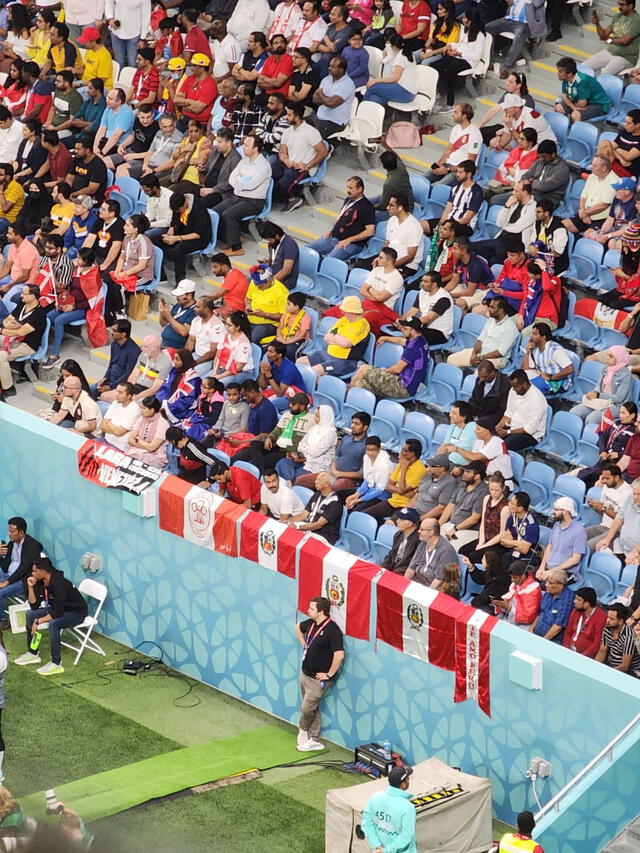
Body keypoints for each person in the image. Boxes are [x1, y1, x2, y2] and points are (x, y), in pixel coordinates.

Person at [13, 557, 88, 676]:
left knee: (54, 623)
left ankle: (56, 663)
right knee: (30, 614)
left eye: (34, 571)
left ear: (43, 571)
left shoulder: (59, 584)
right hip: (58, 608)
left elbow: (57, 614)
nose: (32, 574)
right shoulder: (41, 581)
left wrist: (38, 621)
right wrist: (31, 587)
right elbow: (34, 605)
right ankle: (33, 652)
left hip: (76, 612)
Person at [294, 596, 344, 751]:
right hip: (304, 673)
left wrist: (328, 675)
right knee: (312, 708)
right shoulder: (310, 623)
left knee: (306, 709)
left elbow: (339, 655)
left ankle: (303, 732)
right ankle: (314, 738)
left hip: (318, 679)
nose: (308, 611)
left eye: (311, 609)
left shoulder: (332, 630)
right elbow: (297, 627)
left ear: (322, 611)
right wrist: (304, 643)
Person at [213, 135, 271, 255]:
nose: (243, 147)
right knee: (215, 211)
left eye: (247, 145)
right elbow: (232, 178)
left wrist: (239, 181)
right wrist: (240, 182)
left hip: (254, 202)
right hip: (238, 196)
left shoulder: (263, 166)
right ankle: (231, 238)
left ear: (255, 148)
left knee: (229, 214)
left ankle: (237, 247)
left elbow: (251, 185)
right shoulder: (244, 160)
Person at [349, 317, 429, 398]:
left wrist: (380, 372)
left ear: (413, 331)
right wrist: (385, 338)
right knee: (359, 384)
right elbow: (402, 341)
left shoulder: (413, 348)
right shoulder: (420, 339)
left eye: (405, 329)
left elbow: (397, 369)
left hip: (403, 388)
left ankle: (346, 395)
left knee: (364, 369)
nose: (402, 330)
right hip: (403, 384)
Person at [233, 392, 313, 472]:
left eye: (293, 405)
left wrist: (294, 452)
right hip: (275, 445)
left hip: (287, 452)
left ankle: (258, 472)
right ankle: (230, 463)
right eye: (291, 403)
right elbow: (277, 431)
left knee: (258, 459)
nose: (290, 406)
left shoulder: (311, 420)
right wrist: (270, 438)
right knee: (254, 445)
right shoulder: (287, 415)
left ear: (302, 407)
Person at [298, 295, 370, 379]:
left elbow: (346, 343)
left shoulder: (362, 325)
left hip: (344, 361)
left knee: (314, 371)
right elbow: (327, 337)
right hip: (328, 354)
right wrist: (339, 338)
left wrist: (335, 337)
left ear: (353, 312)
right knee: (300, 362)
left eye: (345, 311)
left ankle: (313, 391)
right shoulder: (343, 320)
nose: (343, 313)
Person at [272, 103, 326, 213]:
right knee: (269, 173)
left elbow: (323, 151)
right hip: (288, 164)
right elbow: (282, 151)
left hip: (302, 168)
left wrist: (308, 165)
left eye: (289, 115)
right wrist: (286, 160)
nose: (286, 117)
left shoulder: (311, 132)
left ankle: (293, 199)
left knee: (283, 184)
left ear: (297, 116)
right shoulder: (287, 131)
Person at [308, 177, 376, 262]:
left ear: (360, 189)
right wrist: (331, 230)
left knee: (327, 262)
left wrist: (349, 240)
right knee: (306, 250)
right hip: (334, 237)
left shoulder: (367, 207)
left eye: (351, 188)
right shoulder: (348, 200)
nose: (348, 190)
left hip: (351, 244)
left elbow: (370, 231)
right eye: (347, 187)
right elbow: (341, 218)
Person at [430, 9, 486, 108]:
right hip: (457, 56)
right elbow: (460, 44)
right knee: (434, 66)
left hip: (468, 61)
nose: (462, 19)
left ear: (470, 20)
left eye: (465, 18)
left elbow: (477, 56)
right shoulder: (466, 31)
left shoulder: (480, 36)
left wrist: (460, 54)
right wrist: (450, 46)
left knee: (449, 72)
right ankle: (437, 92)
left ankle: (450, 104)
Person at [362, 439, 427, 522]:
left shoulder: (420, 470)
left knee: (392, 523)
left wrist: (404, 468)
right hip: (393, 501)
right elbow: (388, 486)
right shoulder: (401, 464)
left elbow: (402, 489)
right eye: (402, 450)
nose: (401, 453)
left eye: (405, 451)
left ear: (413, 453)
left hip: (405, 505)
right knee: (365, 515)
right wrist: (401, 491)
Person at [576, 402, 638, 490]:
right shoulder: (617, 423)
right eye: (620, 412)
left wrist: (618, 454)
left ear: (632, 415)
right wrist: (602, 451)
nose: (620, 415)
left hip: (616, 465)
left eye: (623, 413)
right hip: (604, 460)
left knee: (588, 475)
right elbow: (603, 436)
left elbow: (632, 453)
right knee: (586, 475)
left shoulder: (634, 433)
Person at [0, 284, 46, 400]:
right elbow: (7, 319)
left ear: (33, 296)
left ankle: (9, 388)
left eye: (24, 294)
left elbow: (21, 333)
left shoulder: (39, 314)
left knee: (1, 357)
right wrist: (8, 325)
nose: (21, 296)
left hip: (27, 345)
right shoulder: (22, 305)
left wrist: (2, 330)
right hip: (12, 338)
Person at [448, 297, 518, 369]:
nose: (489, 310)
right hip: (480, 354)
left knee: (481, 371)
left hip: (496, 359)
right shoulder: (491, 320)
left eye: (492, 307)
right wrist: (474, 354)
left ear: (501, 310)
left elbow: (500, 352)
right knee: (451, 359)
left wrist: (482, 358)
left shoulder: (510, 328)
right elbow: (480, 339)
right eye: (489, 306)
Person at [570, 346, 633, 426]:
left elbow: (619, 398)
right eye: (607, 355)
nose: (607, 358)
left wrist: (598, 395)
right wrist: (595, 392)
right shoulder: (606, 368)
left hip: (616, 405)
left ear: (619, 358)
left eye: (610, 356)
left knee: (591, 419)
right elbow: (598, 385)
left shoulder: (626, 376)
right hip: (601, 401)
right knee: (574, 412)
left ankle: (589, 437)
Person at [361, 765, 417, 853]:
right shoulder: (408, 808)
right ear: (403, 785)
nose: (409, 780)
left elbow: (366, 824)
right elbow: (407, 836)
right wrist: (386, 851)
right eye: (407, 779)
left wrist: (377, 846)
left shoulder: (375, 797)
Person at [276, 405, 337, 485]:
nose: (314, 418)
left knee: (298, 477)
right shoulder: (314, 428)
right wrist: (309, 448)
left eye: (317, 416)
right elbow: (300, 445)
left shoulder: (331, 434)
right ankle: (289, 482)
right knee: (282, 463)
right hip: (304, 460)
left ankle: (289, 484)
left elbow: (316, 452)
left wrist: (306, 448)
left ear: (325, 417)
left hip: (317, 467)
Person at [425, 102, 482, 186]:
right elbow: (448, 150)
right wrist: (439, 164)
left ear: (464, 116)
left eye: (456, 112)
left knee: (439, 187)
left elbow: (470, 164)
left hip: (460, 170)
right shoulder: (455, 129)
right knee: (423, 179)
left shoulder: (475, 134)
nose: (452, 115)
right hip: (447, 165)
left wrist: (448, 170)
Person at [0, 517, 43, 628]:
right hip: (8, 574)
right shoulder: (11, 544)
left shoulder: (32, 546)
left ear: (21, 532)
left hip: (22, 580)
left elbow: (23, 569)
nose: (9, 534)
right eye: (9, 531)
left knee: (0, 592)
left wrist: (7, 582)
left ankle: (3, 621)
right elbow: (5, 566)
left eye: (12, 531)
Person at [160, 192, 212, 283]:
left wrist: (177, 238)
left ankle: (180, 281)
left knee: (179, 249)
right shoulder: (177, 203)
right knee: (158, 239)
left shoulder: (199, 208)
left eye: (179, 210)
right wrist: (171, 230)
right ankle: (161, 275)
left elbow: (197, 234)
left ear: (185, 203)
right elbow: (175, 220)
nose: (177, 212)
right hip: (184, 231)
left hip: (200, 238)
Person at [535, 497, 587, 585]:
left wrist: (552, 571)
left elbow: (575, 559)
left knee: (541, 588)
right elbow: (549, 547)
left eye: (556, 509)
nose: (553, 512)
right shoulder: (556, 525)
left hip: (564, 572)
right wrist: (542, 567)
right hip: (549, 568)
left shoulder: (579, 531)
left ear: (565, 511)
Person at [439, 460, 489, 550]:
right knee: (432, 540)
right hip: (451, 524)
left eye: (468, 472)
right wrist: (438, 524)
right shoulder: (462, 485)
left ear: (477, 476)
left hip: (468, 530)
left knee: (450, 549)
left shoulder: (483, 492)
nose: (464, 474)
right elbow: (450, 505)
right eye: (465, 471)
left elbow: (474, 518)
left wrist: (455, 529)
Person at [496, 369, 549, 451]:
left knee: (503, 446)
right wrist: (497, 428)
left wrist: (507, 432)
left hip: (531, 435)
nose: (513, 389)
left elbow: (529, 429)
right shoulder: (513, 391)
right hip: (512, 428)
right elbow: (508, 414)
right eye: (512, 386)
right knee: (491, 438)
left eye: (516, 387)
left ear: (524, 384)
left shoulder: (537, 399)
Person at [363, 33, 417, 108]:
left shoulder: (401, 57)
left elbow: (395, 78)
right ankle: (375, 113)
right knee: (374, 98)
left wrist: (376, 80)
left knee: (372, 87)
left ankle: (362, 109)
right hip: (405, 90)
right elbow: (385, 53)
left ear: (393, 46)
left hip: (405, 91)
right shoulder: (407, 52)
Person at [587, 0, 640, 76]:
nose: (619, 7)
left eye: (622, 5)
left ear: (631, 6)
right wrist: (597, 24)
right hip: (609, 51)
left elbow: (624, 41)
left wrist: (609, 40)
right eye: (619, 4)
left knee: (604, 76)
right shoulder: (617, 16)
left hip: (625, 57)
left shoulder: (637, 21)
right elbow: (603, 35)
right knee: (582, 68)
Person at [92, 320, 141, 402]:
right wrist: (105, 378)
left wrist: (110, 387)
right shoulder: (114, 344)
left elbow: (127, 374)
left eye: (114, 331)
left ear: (123, 334)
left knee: (102, 397)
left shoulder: (134, 351)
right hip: (110, 381)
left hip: (121, 385)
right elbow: (111, 365)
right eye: (111, 329)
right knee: (89, 390)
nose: (111, 332)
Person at [289, 472, 342, 544]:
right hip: (309, 529)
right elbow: (303, 515)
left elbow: (318, 525)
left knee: (295, 541)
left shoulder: (335, 503)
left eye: (319, 480)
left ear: (327, 484)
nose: (315, 482)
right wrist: (288, 521)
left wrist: (298, 527)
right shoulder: (316, 495)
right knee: (287, 531)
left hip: (323, 536)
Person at [555, 57, 612, 124]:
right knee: (559, 108)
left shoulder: (582, 81)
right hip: (580, 101)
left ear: (569, 74)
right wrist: (573, 107)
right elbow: (565, 96)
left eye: (560, 71)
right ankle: (563, 129)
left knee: (575, 115)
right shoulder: (566, 79)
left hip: (599, 105)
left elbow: (582, 104)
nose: (557, 73)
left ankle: (576, 133)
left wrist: (575, 107)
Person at [522, 322, 574, 395]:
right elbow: (525, 369)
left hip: (557, 383)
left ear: (543, 337)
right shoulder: (534, 348)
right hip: (541, 378)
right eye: (532, 333)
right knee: (521, 381)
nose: (531, 336)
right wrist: (527, 352)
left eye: (535, 334)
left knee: (529, 390)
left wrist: (551, 377)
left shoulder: (555, 350)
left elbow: (570, 369)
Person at [345, 434, 395, 511]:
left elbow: (380, 490)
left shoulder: (385, 465)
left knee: (356, 510)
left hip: (380, 496)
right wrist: (357, 494)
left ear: (379, 449)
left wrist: (359, 499)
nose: (370, 453)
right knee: (342, 496)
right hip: (369, 490)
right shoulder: (366, 457)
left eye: (373, 450)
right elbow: (367, 480)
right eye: (368, 449)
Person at [444, 236, 494, 311]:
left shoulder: (476, 265)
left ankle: (461, 320)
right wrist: (441, 292)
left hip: (482, 291)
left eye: (455, 248)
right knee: (443, 296)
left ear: (464, 250)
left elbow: (470, 292)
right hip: (467, 286)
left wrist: (450, 295)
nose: (453, 251)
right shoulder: (459, 260)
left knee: (459, 302)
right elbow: (454, 281)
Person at [405, 518, 458, 587]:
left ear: (431, 532)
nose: (418, 531)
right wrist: (403, 587)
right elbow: (411, 568)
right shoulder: (423, 543)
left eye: (422, 529)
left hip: (433, 586)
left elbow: (439, 580)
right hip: (418, 579)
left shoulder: (446, 551)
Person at [211, 309, 255, 387]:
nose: (226, 327)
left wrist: (219, 376)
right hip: (225, 368)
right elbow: (218, 356)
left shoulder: (243, 343)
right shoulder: (225, 335)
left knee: (216, 385)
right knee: (206, 380)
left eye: (230, 325)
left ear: (237, 327)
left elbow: (238, 367)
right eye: (226, 324)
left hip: (242, 373)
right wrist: (214, 372)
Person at [492, 559, 541, 630]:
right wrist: (500, 604)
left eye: (515, 577)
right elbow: (508, 599)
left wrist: (508, 607)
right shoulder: (515, 585)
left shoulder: (533, 590)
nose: (512, 580)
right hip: (509, 619)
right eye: (511, 577)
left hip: (523, 626)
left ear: (523, 576)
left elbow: (528, 617)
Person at [520, 140, 569, 210]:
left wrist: (531, 182)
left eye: (544, 157)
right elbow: (525, 176)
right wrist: (527, 182)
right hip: (532, 193)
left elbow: (545, 186)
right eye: (540, 157)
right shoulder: (540, 161)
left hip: (548, 199)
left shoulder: (561, 168)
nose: (541, 159)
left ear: (553, 154)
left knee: (520, 201)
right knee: (507, 197)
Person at [156, 349, 202, 420]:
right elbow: (164, 388)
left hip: (181, 411)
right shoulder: (173, 371)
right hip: (166, 404)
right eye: (174, 358)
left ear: (185, 361)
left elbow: (186, 402)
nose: (174, 361)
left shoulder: (193, 380)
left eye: (177, 359)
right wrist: (160, 402)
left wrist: (168, 407)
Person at [562, 587, 608, 658]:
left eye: (578, 600)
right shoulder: (575, 611)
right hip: (570, 652)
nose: (574, 601)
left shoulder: (601, 617)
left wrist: (582, 657)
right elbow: (568, 632)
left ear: (587, 603)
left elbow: (597, 643)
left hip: (586, 657)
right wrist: (566, 649)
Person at [531, 570, 575, 643]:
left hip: (552, 641)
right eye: (547, 582)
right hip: (536, 635)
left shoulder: (567, 600)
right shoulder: (549, 592)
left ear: (560, 586)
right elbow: (540, 613)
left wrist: (543, 641)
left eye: (551, 583)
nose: (546, 585)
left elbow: (558, 626)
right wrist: (531, 630)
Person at [596, 603, 640, 676]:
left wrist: (607, 674)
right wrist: (596, 667)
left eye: (611, 619)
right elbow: (602, 652)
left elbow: (624, 666)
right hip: (611, 665)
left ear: (620, 621)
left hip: (629, 672)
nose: (607, 620)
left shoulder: (629, 637)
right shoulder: (607, 628)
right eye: (608, 617)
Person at [409, 453, 457, 520]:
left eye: (432, 466)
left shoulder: (450, 482)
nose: (428, 469)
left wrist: (420, 518)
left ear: (442, 468)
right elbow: (417, 495)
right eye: (428, 466)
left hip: (425, 517)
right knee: (391, 522)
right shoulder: (428, 476)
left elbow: (441, 508)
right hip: (413, 512)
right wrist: (406, 511)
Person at [500, 491, 539, 569]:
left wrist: (510, 542)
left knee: (513, 567)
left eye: (512, 503)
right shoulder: (511, 518)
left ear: (520, 508)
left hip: (527, 557)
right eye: (509, 502)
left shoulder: (532, 523)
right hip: (513, 553)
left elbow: (524, 550)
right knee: (499, 561)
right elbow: (502, 541)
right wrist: (519, 544)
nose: (509, 505)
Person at [127, 396, 169, 470]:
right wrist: (144, 445)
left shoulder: (163, 423)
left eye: (144, 408)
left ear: (152, 410)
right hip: (136, 451)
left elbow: (152, 447)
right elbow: (130, 440)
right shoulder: (141, 418)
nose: (141, 410)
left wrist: (137, 440)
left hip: (155, 457)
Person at [258, 341, 305, 406]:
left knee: (267, 404)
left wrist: (269, 376)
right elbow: (263, 387)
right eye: (267, 351)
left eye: (271, 352)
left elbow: (279, 394)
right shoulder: (272, 363)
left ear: (279, 355)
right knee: (257, 396)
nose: (267, 354)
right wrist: (263, 373)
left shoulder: (289, 369)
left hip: (294, 395)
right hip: (281, 391)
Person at [464, 548, 509, 613]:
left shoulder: (497, 581)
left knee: (475, 604)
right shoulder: (497, 571)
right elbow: (481, 577)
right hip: (491, 599)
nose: (481, 560)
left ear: (489, 563)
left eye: (483, 559)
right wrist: (470, 566)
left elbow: (483, 599)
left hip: (498, 606)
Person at [159, 279, 198, 351]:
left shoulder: (194, 312)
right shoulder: (178, 305)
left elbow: (184, 332)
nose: (177, 298)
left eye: (180, 295)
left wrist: (168, 316)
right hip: (164, 344)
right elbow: (163, 323)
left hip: (176, 349)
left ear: (189, 295)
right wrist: (162, 312)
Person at [380, 507, 421, 574]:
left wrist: (393, 573)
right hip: (394, 567)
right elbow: (391, 554)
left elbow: (411, 564)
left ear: (410, 524)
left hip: (403, 572)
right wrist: (383, 568)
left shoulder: (419, 540)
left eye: (401, 519)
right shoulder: (398, 534)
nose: (397, 521)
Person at [276, 292, 312, 359]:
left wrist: (286, 342)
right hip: (284, 335)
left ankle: (293, 365)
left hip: (298, 339)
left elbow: (301, 336)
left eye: (288, 304)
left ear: (296, 307)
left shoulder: (305, 318)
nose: (286, 306)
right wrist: (279, 336)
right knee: (272, 347)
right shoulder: (286, 314)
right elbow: (280, 327)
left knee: (289, 351)